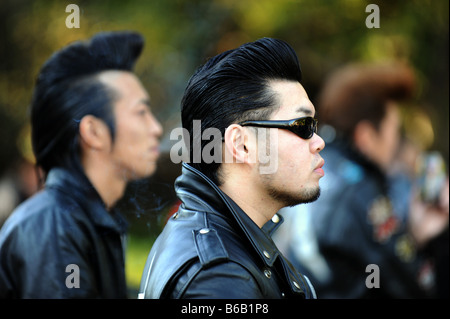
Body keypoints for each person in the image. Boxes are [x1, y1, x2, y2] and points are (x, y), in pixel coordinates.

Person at [139, 37, 325, 299]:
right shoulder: (218, 278)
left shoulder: (230, 248)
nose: (318, 142)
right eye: (303, 126)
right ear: (242, 145)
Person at [0, 31, 163, 298]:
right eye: (141, 112)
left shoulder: (88, 220)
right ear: (94, 132)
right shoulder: (55, 228)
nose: (156, 128)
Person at [274, 62, 449, 298]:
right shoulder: (360, 192)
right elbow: (417, 284)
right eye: (394, 131)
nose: (396, 143)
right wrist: (437, 238)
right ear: (366, 136)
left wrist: (413, 236)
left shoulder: (311, 167)